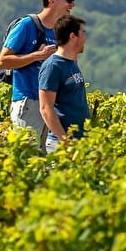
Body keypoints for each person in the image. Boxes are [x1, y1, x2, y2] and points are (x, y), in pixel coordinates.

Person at [0, 0, 74, 140]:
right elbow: (3, 61)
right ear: (51, 1)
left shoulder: (57, 31)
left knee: (43, 159)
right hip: (28, 101)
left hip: (49, 105)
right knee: (28, 156)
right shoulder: (27, 25)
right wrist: (37, 56)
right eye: (68, 0)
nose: (72, 4)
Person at [37, 15, 89, 152]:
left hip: (80, 143)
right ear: (73, 37)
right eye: (83, 33)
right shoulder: (53, 66)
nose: (85, 38)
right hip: (62, 145)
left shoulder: (72, 63)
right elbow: (45, 108)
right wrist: (65, 141)